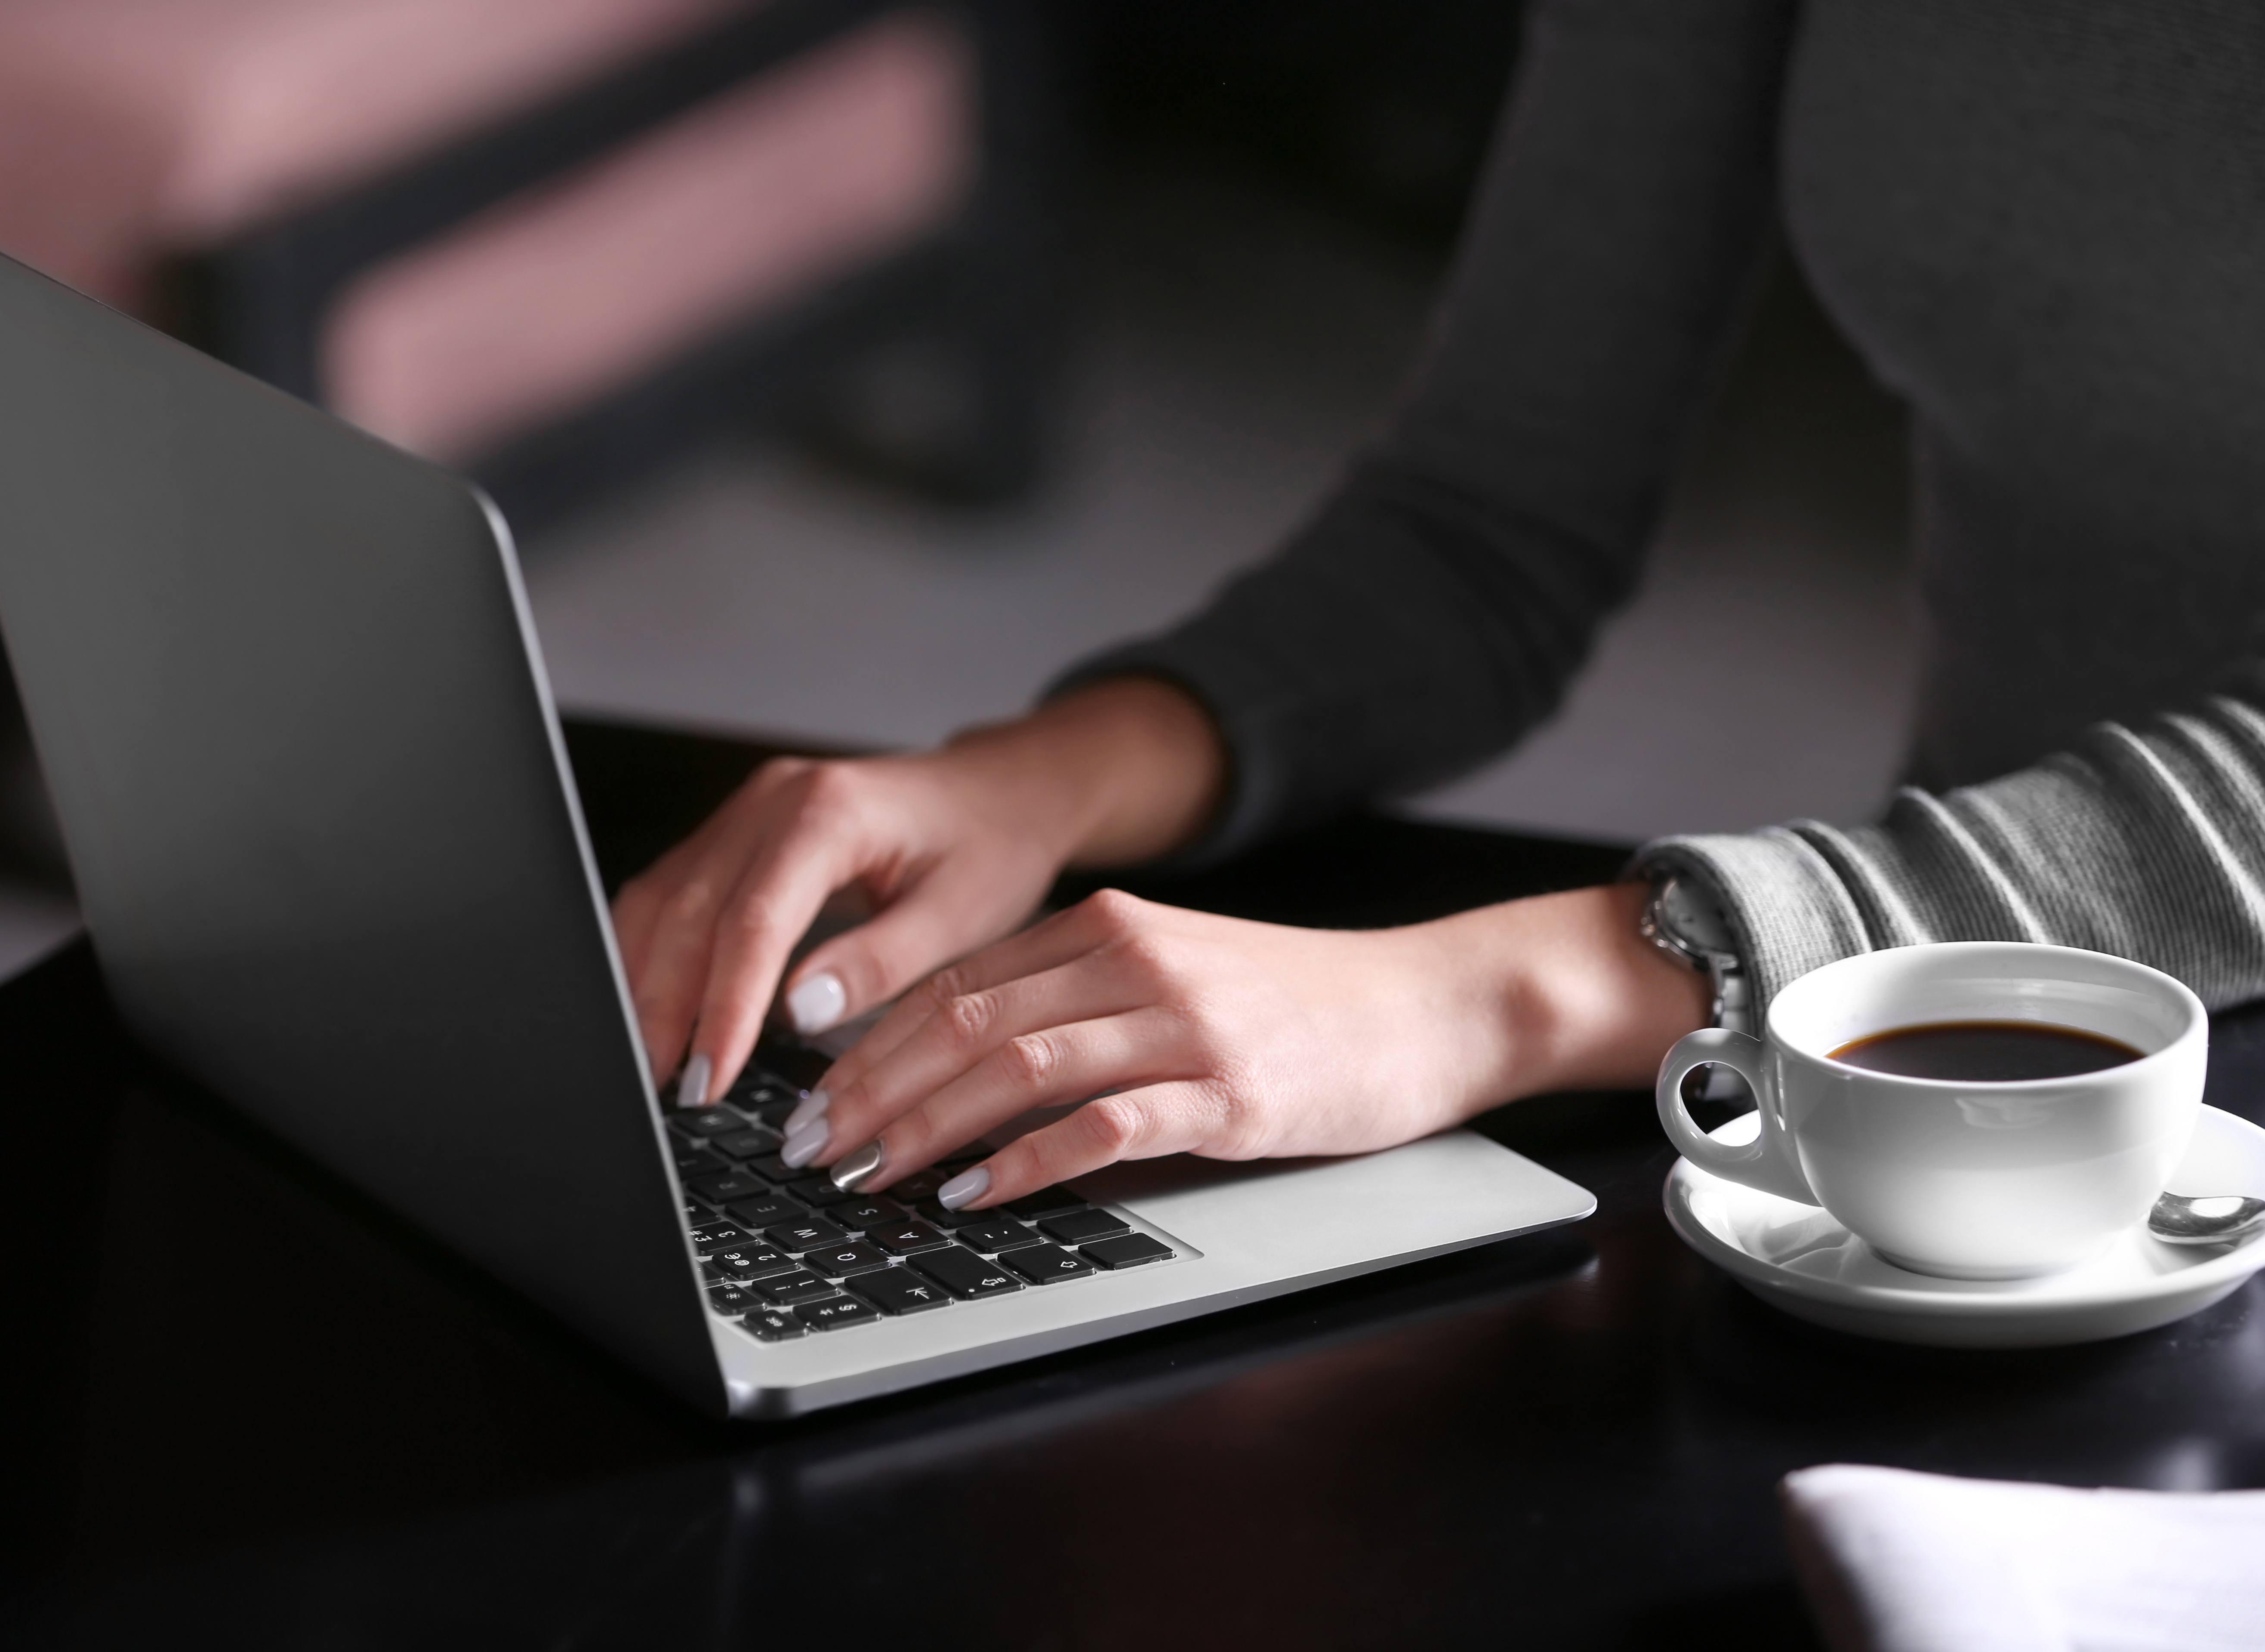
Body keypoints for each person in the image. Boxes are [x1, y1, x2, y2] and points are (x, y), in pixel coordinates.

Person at [612, 0, 2265, 1214]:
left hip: (1900, 998)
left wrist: (1482, 996)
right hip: (1936, 1044)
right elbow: (1491, 523)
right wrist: (1034, 778)